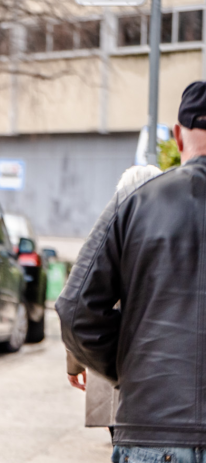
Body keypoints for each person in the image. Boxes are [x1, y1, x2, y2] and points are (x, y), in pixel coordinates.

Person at [57, 81, 206, 463]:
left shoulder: (139, 202)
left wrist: (129, 365)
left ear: (176, 136)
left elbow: (75, 308)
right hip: (159, 427)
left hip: (154, 434)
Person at [64, 165, 161, 433]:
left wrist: (76, 362)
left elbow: (80, 302)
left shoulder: (110, 233)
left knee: (119, 435)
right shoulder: (164, 234)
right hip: (153, 370)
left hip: (113, 362)